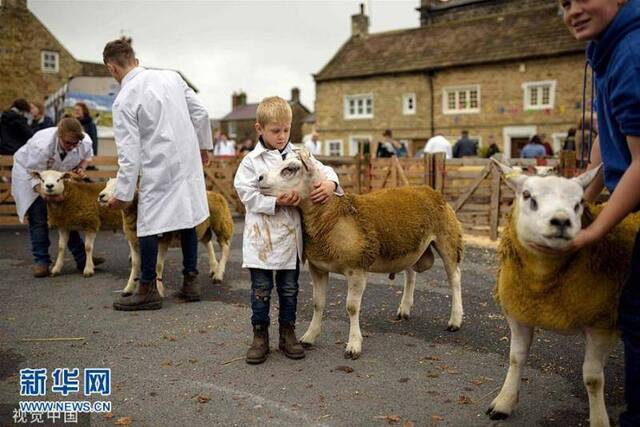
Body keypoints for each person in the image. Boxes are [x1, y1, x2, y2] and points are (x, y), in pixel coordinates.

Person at [556, 1, 640, 425]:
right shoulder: (608, 50)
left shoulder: (629, 51)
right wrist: (580, 197)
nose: (572, 10)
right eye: (564, 2)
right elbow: (611, 150)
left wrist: (594, 229)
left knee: (638, 316)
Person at [102, 38, 213, 311]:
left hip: (159, 167)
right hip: (186, 162)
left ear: (112, 68)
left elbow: (129, 154)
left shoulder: (124, 100)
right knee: (188, 216)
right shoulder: (172, 77)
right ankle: (191, 282)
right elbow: (201, 113)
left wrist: (122, 194)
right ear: (135, 61)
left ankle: (148, 287)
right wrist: (204, 146)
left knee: (148, 224)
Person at [234, 96, 341, 364]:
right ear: (260, 129)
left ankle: (288, 334)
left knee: (289, 289)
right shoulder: (251, 161)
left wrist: (330, 184)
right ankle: (260, 337)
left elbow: (324, 170)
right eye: (275, 131)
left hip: (290, 239)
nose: (282, 136)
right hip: (262, 238)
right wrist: (274, 201)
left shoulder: (299, 155)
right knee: (260, 289)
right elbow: (245, 193)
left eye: (286, 130)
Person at [11, 117, 97, 277]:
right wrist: (46, 195)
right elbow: (34, 175)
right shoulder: (41, 146)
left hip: (56, 176)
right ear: (59, 135)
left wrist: (80, 168)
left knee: (66, 217)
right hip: (30, 174)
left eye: (75, 144)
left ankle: (82, 258)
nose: (72, 147)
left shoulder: (84, 141)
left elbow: (87, 157)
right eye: (68, 143)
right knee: (38, 216)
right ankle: (41, 261)